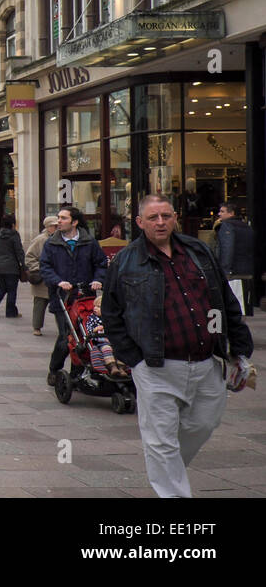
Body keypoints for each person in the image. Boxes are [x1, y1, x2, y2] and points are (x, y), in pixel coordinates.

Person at [103, 194, 254, 499]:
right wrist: (134, 359)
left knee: (204, 422)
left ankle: (165, 468)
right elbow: (111, 313)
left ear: (174, 218)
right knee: (160, 439)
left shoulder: (197, 250)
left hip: (206, 360)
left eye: (166, 216)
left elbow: (224, 299)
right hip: (157, 364)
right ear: (140, 222)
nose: (161, 223)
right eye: (153, 217)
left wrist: (238, 347)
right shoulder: (126, 260)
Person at [40, 206, 107, 386]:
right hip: (62, 298)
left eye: (63, 218)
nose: (58, 221)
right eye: (58, 218)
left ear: (74, 222)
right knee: (66, 336)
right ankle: (54, 369)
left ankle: (77, 372)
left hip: (85, 297)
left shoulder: (89, 242)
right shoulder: (51, 244)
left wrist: (98, 279)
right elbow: (44, 267)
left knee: (83, 336)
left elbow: (101, 263)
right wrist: (58, 281)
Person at [215, 203, 255, 305]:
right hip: (246, 271)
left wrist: (224, 271)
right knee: (242, 305)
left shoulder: (226, 226)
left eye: (222, 211)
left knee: (232, 305)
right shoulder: (247, 227)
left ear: (231, 213)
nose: (219, 214)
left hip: (232, 273)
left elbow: (227, 249)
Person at [24, 215, 58, 336]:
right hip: (42, 278)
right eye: (55, 226)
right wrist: (40, 268)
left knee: (59, 304)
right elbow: (29, 257)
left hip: (56, 277)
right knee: (40, 303)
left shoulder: (60, 239)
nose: (57, 228)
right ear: (49, 227)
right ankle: (37, 327)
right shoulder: (40, 239)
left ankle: (63, 327)